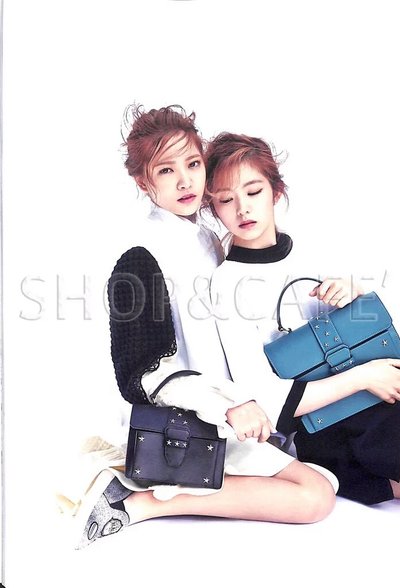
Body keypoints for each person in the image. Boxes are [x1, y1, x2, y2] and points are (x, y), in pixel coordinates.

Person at [59, 105, 339, 550]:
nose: (185, 181)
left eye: (192, 164)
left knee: (328, 477)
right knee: (315, 497)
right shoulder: (140, 256)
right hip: (188, 423)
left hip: (239, 413)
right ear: (143, 182)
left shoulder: (207, 239)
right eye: (166, 170)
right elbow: (141, 373)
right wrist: (228, 406)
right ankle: (135, 504)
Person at [205, 132, 400, 506]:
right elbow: (266, 399)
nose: (242, 209)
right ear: (214, 208)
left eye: (253, 191)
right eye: (226, 200)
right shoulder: (227, 283)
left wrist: (354, 295)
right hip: (329, 427)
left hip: (386, 391)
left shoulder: (310, 250)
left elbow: (364, 334)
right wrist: (364, 378)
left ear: (276, 191)